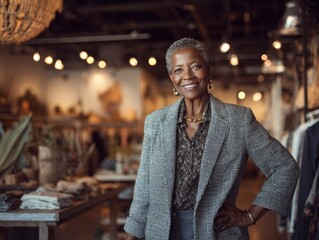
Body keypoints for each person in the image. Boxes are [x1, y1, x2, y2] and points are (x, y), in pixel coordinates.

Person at [123, 37, 299, 240]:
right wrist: (133, 233)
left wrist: (250, 215)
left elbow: (285, 168)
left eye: (195, 66)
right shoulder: (155, 122)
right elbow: (144, 185)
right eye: (178, 70)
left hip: (217, 232)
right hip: (161, 231)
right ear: (172, 77)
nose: (187, 76)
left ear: (208, 70)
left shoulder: (238, 120)